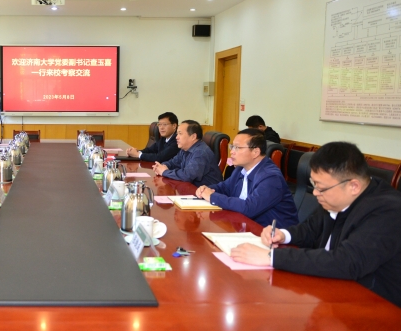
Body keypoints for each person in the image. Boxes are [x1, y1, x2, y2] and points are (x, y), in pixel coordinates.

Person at [230, 142, 401, 307]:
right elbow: (310, 229)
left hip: (374, 306)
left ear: (353, 186)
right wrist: (283, 235)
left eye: (321, 187)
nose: (316, 193)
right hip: (329, 289)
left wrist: (271, 257)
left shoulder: (388, 211)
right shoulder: (336, 196)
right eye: (314, 184)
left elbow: (347, 261)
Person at [195, 128, 298, 228]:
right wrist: (205, 189)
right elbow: (225, 188)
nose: (232, 152)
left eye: (237, 148)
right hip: (244, 227)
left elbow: (249, 208)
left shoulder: (271, 177)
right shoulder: (240, 169)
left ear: (255, 152)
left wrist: (212, 197)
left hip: (272, 235)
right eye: (232, 147)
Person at [152, 120, 223, 187]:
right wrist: (161, 166)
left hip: (208, 193)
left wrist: (164, 172)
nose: (176, 137)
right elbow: (173, 163)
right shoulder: (185, 149)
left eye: (180, 134)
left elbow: (187, 175)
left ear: (193, 137)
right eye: (177, 134)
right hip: (192, 189)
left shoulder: (201, 152)